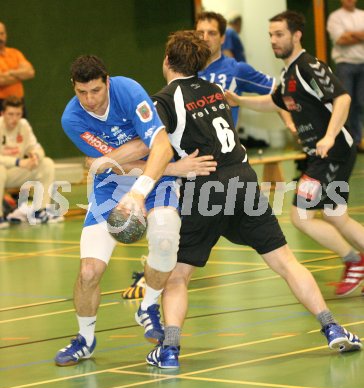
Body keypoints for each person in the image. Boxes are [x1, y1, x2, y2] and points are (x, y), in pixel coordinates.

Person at [123, 30, 360, 369]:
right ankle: (332, 327)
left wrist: (118, 161)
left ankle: (170, 350)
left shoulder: (162, 101)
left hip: (204, 189)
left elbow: (152, 150)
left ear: (166, 60)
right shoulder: (216, 91)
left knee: (178, 277)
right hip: (243, 180)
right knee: (286, 263)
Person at [225, 10, 364, 297]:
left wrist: (328, 136)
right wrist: (241, 100)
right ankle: (355, 260)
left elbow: (342, 98)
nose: (274, 41)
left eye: (279, 34)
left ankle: (354, 261)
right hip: (321, 155)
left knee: (301, 215)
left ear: (296, 35)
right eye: (271, 35)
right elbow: (275, 101)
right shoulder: (289, 72)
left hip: (333, 152)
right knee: (336, 215)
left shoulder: (308, 67)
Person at [54, 55, 182, 366]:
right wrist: (138, 145)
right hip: (110, 186)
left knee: (165, 236)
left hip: (154, 178)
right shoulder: (71, 118)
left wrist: (138, 189)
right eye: (81, 93)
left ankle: (148, 307)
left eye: (96, 91)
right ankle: (85, 339)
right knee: (88, 273)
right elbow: (117, 162)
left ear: (107, 82)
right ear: (74, 88)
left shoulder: (127, 91)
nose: (90, 100)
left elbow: (161, 149)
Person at [196, 12, 275, 127]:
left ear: (222, 39)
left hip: (223, 142)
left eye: (212, 33)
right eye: (200, 33)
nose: (205, 38)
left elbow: (277, 93)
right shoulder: (185, 69)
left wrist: (290, 123)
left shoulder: (236, 69)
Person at [0, 96, 56, 228]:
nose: (14, 118)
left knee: (46, 163)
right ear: (2, 113)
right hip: (3, 171)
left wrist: (35, 157)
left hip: (14, 174)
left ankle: (40, 211)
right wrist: (18, 162)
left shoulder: (23, 125)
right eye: (10, 114)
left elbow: (35, 146)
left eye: (18, 114)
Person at [327, 0, 364, 152]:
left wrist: (350, 34)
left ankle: (357, 140)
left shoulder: (362, 15)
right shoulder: (335, 17)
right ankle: (344, 141)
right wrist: (360, 35)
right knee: (344, 104)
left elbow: (346, 37)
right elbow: (340, 39)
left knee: (360, 103)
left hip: (362, 64)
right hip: (345, 66)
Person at [0, 22, 35, 115]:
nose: (0, 37)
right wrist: (19, 75)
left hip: (19, 102)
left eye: (2, 33)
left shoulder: (15, 53)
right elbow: (1, 80)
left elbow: (30, 72)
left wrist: (10, 73)